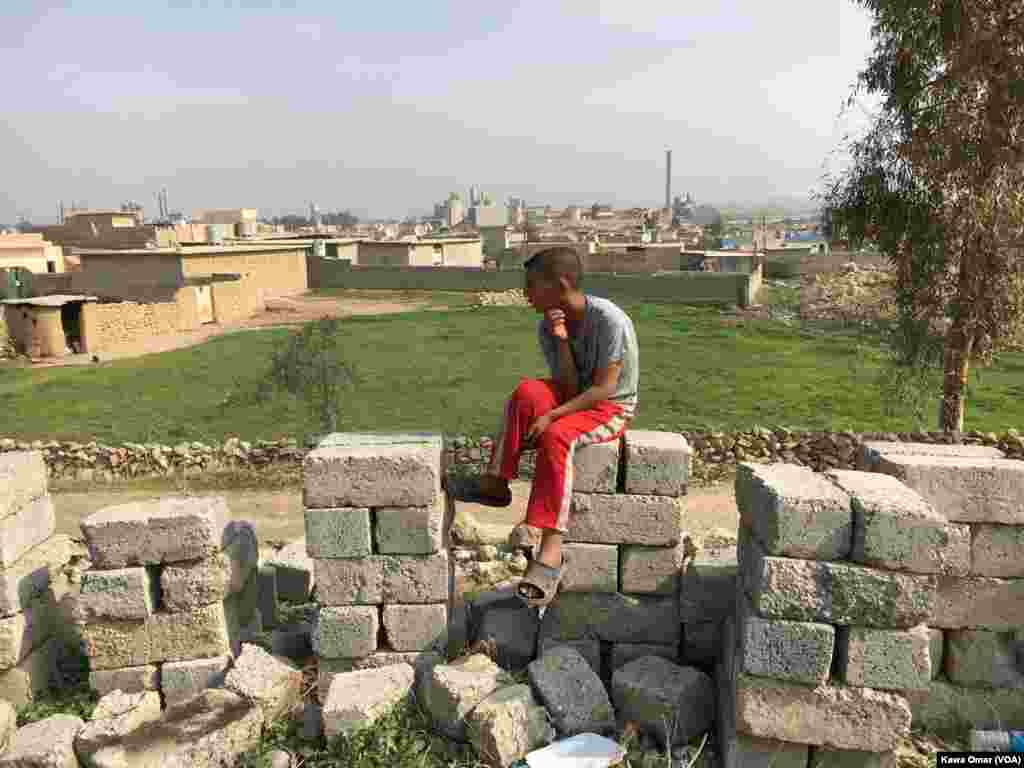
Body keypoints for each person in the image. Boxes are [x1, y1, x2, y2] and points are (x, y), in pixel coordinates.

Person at [447, 246, 639, 608]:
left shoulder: (609, 319)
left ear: (561, 283)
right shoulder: (547, 325)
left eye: (532, 285)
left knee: (557, 436)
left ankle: (550, 550)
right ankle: (496, 482)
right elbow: (566, 386)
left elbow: (604, 389)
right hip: (578, 397)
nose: (526, 294)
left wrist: (553, 416)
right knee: (527, 393)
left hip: (610, 406)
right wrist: (562, 339)